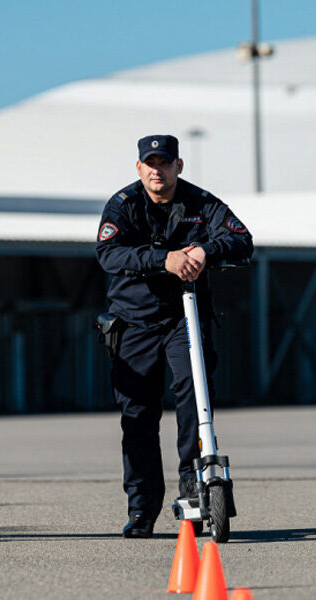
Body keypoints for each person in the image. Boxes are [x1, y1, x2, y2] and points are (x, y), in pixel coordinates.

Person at [96, 134, 254, 538]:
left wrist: (205, 250)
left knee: (194, 397)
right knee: (138, 415)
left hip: (185, 315)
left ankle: (195, 485)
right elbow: (109, 254)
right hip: (134, 322)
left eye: (164, 163)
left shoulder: (203, 203)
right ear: (138, 169)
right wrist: (162, 259)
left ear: (178, 166)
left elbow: (241, 240)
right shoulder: (123, 205)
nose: (156, 170)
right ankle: (141, 509)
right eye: (149, 163)